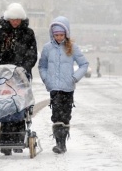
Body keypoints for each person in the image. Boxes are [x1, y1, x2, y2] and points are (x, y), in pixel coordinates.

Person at [0, 3, 38, 155]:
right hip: (4, 76)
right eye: (13, 19)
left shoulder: (28, 33)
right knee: (5, 106)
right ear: (8, 19)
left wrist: (23, 68)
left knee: (20, 106)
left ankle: (18, 138)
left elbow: (32, 54)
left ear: (21, 19)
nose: (15, 22)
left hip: (22, 76)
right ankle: (5, 140)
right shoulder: (0, 33)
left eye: (18, 19)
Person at [38, 16, 89, 154]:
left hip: (68, 88)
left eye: (61, 35)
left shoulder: (72, 48)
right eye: (56, 35)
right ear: (52, 34)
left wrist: (75, 77)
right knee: (56, 115)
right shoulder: (47, 48)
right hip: (54, 88)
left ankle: (63, 142)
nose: (59, 37)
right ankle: (58, 143)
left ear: (66, 34)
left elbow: (84, 64)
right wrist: (45, 79)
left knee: (65, 116)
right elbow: (42, 66)